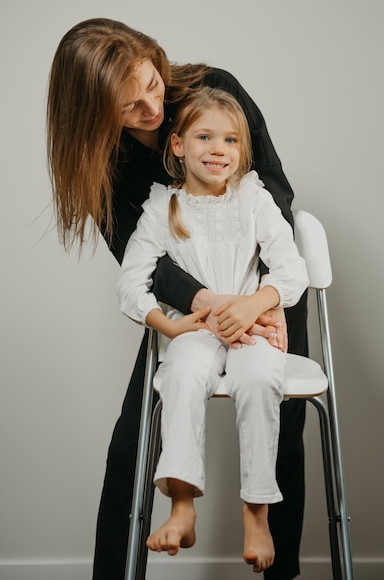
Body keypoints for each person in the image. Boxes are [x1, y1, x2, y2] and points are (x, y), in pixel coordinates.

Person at [46, 18, 309, 580]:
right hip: (186, 307)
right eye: (127, 106)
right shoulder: (106, 161)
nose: (149, 106)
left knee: (281, 416)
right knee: (136, 436)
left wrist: (264, 301)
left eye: (151, 83)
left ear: (155, 58)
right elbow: (140, 262)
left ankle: (279, 568)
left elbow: (276, 195)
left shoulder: (216, 90)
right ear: (95, 118)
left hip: (266, 288)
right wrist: (208, 306)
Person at [117, 87, 309, 572]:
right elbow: (130, 283)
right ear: (178, 145)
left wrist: (255, 304)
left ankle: (256, 511)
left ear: (242, 152)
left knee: (261, 378)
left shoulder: (253, 199)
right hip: (197, 333)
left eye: (230, 140)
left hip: (252, 327)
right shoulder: (163, 208)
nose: (219, 149)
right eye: (205, 137)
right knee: (178, 375)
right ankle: (182, 504)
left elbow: (292, 269)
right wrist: (172, 327)